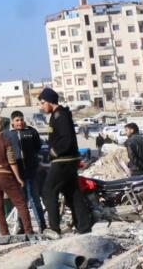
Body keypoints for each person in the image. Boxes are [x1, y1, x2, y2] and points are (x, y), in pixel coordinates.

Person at [38, 88, 92, 236]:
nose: (41, 106)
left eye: (43, 103)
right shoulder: (58, 115)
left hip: (63, 160)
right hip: (68, 160)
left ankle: (54, 228)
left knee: (48, 191)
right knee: (72, 193)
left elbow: (66, 139)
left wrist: (54, 152)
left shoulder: (59, 115)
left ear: (49, 101)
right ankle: (84, 226)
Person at [7, 111, 46, 233]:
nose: (20, 122)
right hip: (17, 174)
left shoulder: (31, 131)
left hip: (32, 172)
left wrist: (38, 164)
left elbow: (38, 148)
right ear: (12, 121)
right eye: (17, 120)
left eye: (21, 120)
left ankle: (42, 226)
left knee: (35, 200)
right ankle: (23, 227)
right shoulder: (6, 134)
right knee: (21, 201)